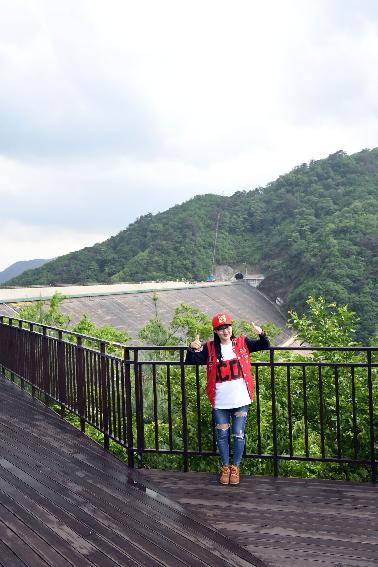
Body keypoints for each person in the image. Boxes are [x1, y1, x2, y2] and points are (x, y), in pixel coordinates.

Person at [186, 312, 270, 486]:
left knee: (239, 434)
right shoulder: (209, 349)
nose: (226, 331)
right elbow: (192, 361)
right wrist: (192, 348)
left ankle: (235, 467)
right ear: (216, 331)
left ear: (232, 327)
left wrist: (260, 332)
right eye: (221, 328)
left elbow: (264, 345)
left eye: (228, 327)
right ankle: (225, 467)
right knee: (222, 435)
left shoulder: (242, 343)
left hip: (241, 399)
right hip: (220, 401)